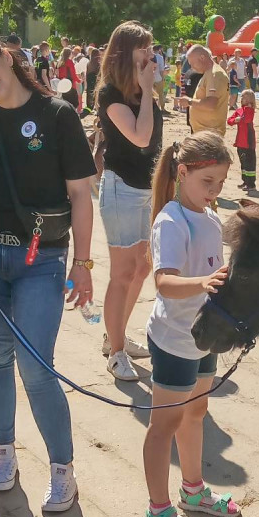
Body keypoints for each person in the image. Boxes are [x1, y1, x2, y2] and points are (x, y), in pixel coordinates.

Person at [0, 31, 96, 511]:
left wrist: (85, 263)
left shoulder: (58, 115)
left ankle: (61, 469)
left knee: (36, 365)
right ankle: (4, 453)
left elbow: (79, 196)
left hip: (41, 260)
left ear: (6, 56)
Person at [142, 132, 241, 517]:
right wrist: (208, 282)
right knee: (163, 424)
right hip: (174, 340)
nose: (214, 191)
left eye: (220, 183)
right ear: (182, 173)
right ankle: (158, 511)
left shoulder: (210, 216)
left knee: (196, 413)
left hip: (204, 337)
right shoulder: (171, 220)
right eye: (207, 182)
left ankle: (194, 490)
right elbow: (164, 283)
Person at [95, 22, 162, 382]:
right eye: (144, 47)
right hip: (121, 189)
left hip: (145, 191)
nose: (151, 53)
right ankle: (116, 351)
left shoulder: (139, 91)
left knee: (141, 268)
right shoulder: (111, 94)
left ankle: (115, 334)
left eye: (151, 46)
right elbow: (140, 137)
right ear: (125, 52)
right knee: (122, 273)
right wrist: (149, 90)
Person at [180, 45, 230, 137]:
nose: (191, 67)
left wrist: (189, 101)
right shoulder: (209, 73)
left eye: (192, 63)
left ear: (202, 57)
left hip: (209, 134)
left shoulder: (215, 74)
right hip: (205, 133)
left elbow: (211, 104)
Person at [227, 89, 257, 191]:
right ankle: (245, 181)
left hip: (248, 141)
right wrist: (236, 120)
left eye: (244, 97)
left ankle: (251, 183)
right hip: (240, 141)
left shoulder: (250, 110)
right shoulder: (239, 110)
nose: (241, 99)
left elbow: (247, 119)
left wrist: (241, 117)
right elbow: (229, 121)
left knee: (250, 163)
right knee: (243, 162)